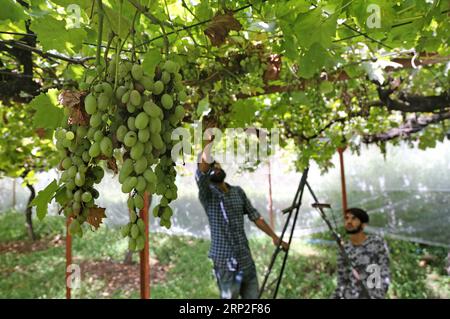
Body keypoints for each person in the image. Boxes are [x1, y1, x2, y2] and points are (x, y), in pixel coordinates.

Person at [195, 136, 288, 299]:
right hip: (226, 263)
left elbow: (255, 217)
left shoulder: (237, 191)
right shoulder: (208, 194)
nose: (214, 167)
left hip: (245, 260)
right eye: (210, 167)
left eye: (215, 164)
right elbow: (202, 169)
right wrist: (208, 142)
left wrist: (274, 237)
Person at [333, 207, 390, 299]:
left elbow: (384, 272)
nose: (349, 221)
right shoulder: (344, 249)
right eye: (347, 218)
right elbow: (342, 280)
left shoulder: (377, 243)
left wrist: (378, 295)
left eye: (354, 218)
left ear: (363, 225)